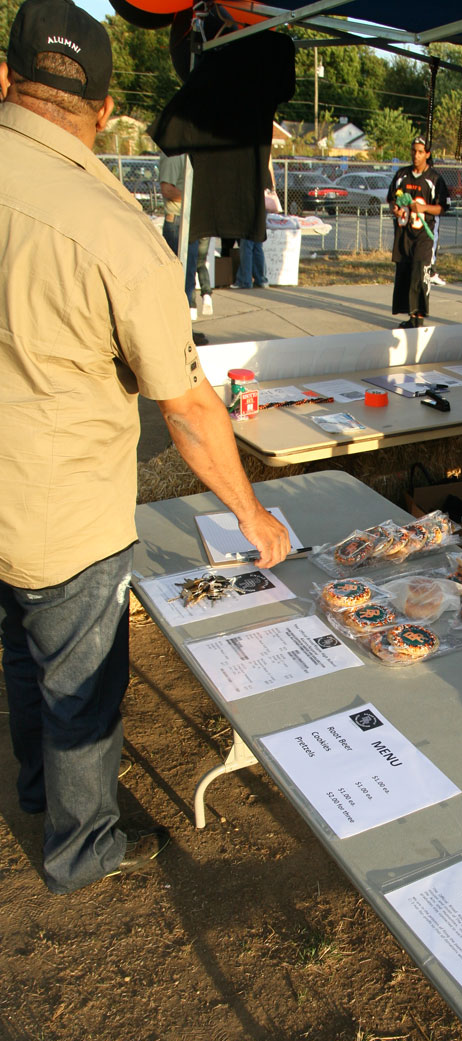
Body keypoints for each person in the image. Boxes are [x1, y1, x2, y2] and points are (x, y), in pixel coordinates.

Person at [0, 0, 290, 896]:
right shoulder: (114, 229)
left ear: (10, 77)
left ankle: (40, 789)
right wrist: (251, 515)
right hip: (62, 512)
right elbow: (193, 409)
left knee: (20, 654)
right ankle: (81, 847)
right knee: (80, 686)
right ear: (102, 101)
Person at [387, 136, 449, 329]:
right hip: (404, 234)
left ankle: (419, 320)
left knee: (419, 274)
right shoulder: (401, 175)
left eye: (420, 151)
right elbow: (391, 199)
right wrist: (395, 209)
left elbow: (442, 208)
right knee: (405, 274)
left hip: (424, 235)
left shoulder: (435, 179)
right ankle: (411, 317)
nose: (416, 155)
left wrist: (424, 209)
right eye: (414, 150)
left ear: (427, 154)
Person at [158, 151, 201, 318]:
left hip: (188, 222)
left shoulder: (187, 154)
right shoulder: (173, 154)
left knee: (188, 278)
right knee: (180, 281)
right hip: (177, 224)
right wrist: (194, 198)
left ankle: (186, 326)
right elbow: (167, 189)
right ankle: (180, 328)